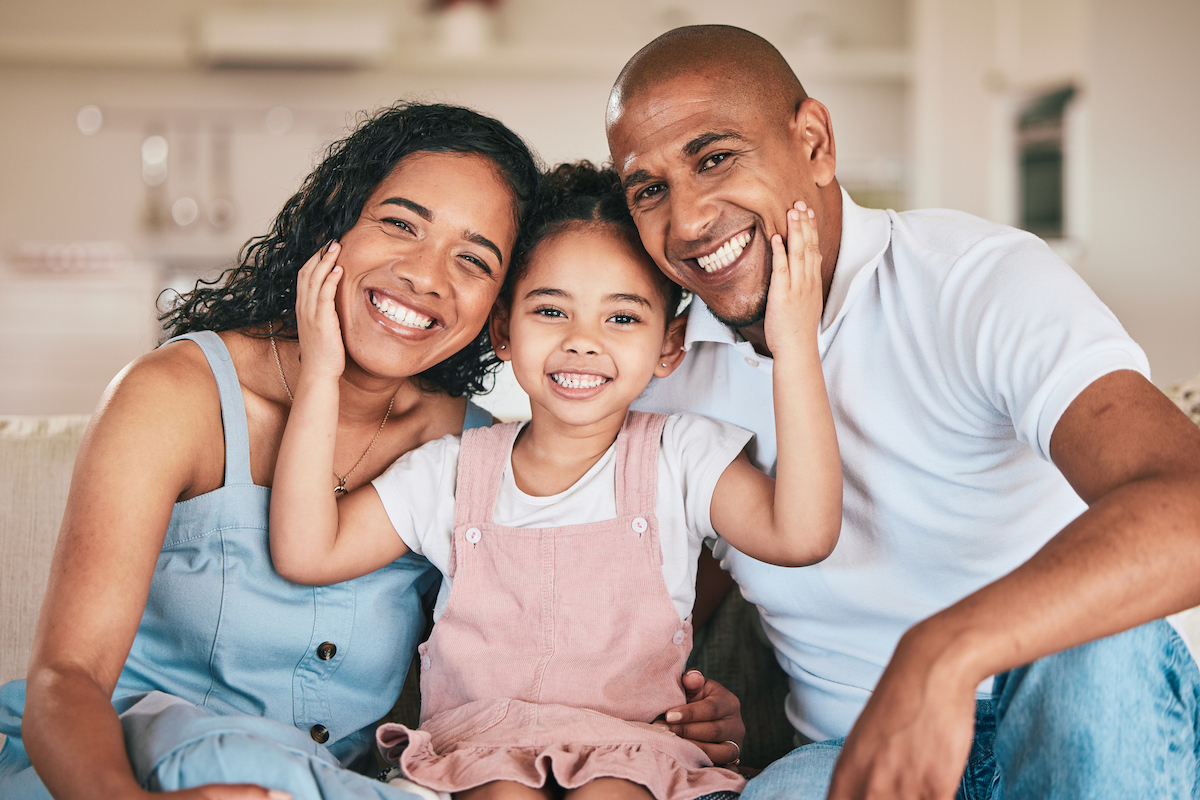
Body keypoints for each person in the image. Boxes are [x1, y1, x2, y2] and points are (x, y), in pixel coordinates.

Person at [0, 104, 739, 800]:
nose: (426, 276)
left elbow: (557, 627)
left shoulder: (471, 453)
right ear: (336, 222)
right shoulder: (177, 397)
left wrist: (669, 702)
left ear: (499, 311)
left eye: (475, 261)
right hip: (122, 770)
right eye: (400, 225)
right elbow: (66, 680)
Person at [605, 24, 1200, 800]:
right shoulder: (660, 377)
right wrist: (681, 701)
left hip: (1071, 711)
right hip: (851, 752)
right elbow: (649, 593)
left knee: (1106, 650)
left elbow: (1188, 501)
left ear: (814, 143)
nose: (685, 222)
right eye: (649, 189)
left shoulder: (975, 282)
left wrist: (945, 653)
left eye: (714, 158)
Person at [265, 162, 842, 800]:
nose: (583, 342)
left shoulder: (680, 456)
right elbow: (306, 550)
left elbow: (804, 534)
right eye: (550, 311)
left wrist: (796, 348)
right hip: (477, 751)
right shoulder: (453, 471)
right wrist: (321, 373)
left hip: (633, 751)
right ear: (503, 330)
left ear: (668, 344)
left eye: (622, 318)